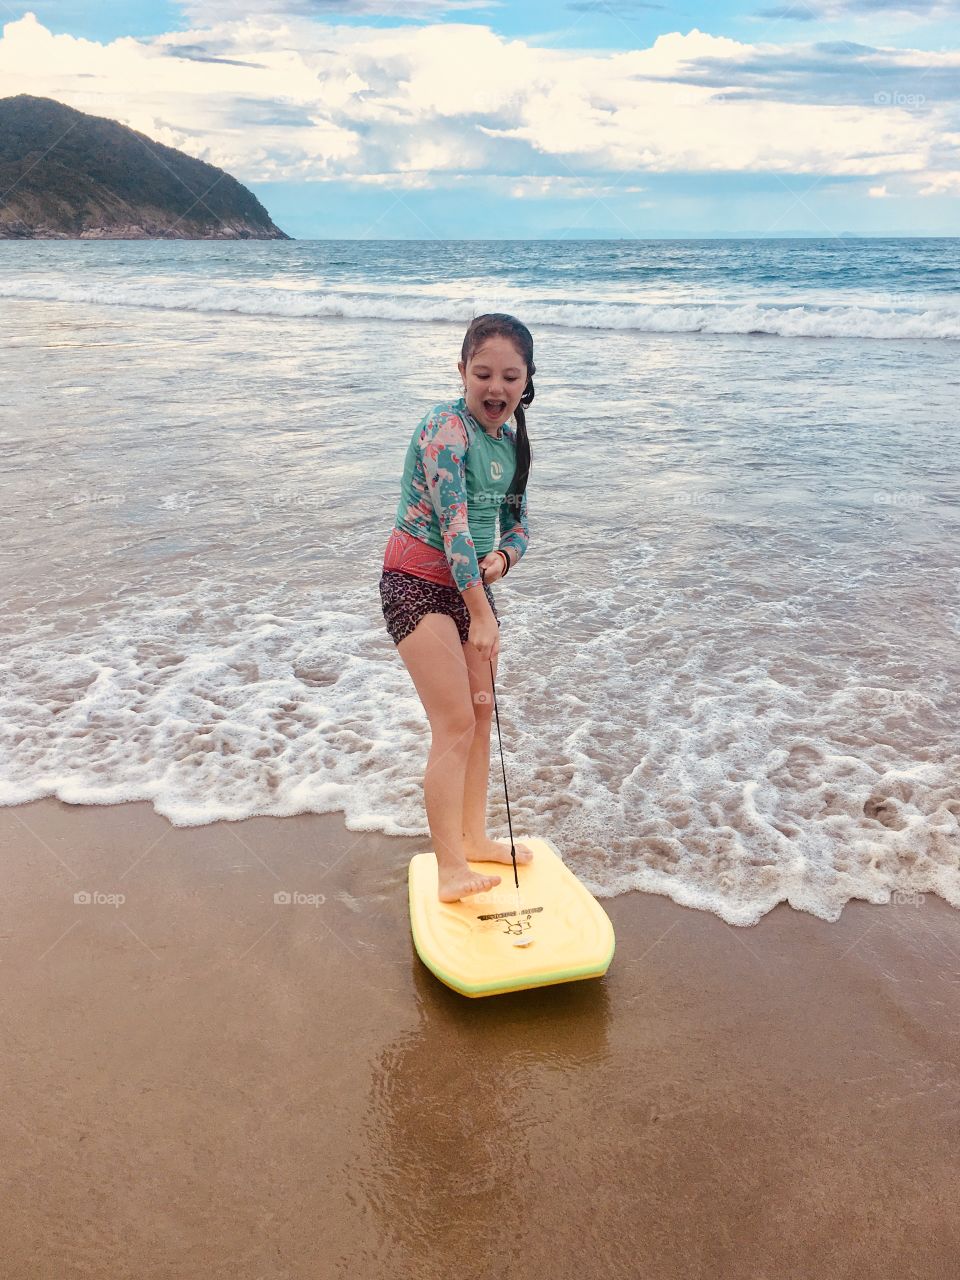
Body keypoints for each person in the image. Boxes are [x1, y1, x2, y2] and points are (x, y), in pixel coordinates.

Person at [379, 313, 537, 902]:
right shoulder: (445, 429)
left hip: (469, 585)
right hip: (415, 582)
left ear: (525, 381)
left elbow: (518, 526)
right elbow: (453, 530)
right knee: (453, 723)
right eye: (483, 373)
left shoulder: (512, 445)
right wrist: (484, 612)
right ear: (462, 372)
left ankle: (475, 837)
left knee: (480, 715)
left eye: (510, 376)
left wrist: (503, 562)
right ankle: (449, 870)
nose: (496, 388)